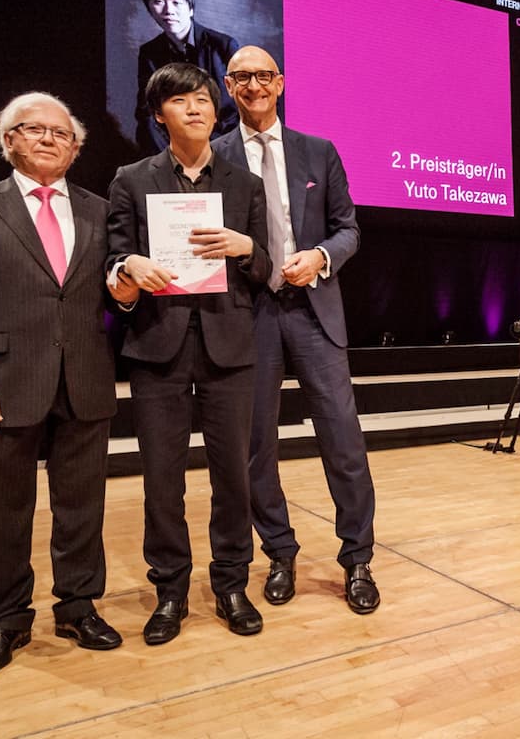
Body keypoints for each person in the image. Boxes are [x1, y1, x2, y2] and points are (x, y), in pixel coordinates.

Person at [0, 92, 138, 680]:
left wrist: (126, 292)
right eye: (33, 129)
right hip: (1, 385)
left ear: (76, 148)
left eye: (60, 133)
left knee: (81, 507)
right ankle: (7, 618)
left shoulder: (100, 211)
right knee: (3, 509)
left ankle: (77, 605)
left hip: (85, 380)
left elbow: (112, 294)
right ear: (8, 140)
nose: (47, 138)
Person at [106, 63, 273, 643]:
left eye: (203, 99)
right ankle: (171, 591)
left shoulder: (244, 184)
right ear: (160, 115)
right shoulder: (131, 179)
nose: (196, 108)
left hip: (231, 345)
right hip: (158, 347)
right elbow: (115, 261)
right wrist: (128, 269)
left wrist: (247, 246)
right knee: (162, 480)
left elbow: (265, 270)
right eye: (181, 102)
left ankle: (231, 584)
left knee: (233, 477)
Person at [215, 46, 380, 614]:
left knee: (343, 441)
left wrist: (319, 256)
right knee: (256, 448)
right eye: (242, 77)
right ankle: (279, 553)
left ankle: (358, 559)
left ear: (280, 84)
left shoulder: (319, 151)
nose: (254, 85)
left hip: (313, 310)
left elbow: (349, 229)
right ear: (229, 86)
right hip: (249, 315)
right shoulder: (216, 156)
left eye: (264, 76)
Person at [134, 0, 240, 153]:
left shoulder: (223, 45)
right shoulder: (150, 52)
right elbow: (146, 110)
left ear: (190, 8)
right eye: (158, 2)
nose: (168, 10)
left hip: (220, 141)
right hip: (173, 145)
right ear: (149, 8)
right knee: (147, 127)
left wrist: (207, 147)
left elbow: (237, 110)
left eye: (176, 2)